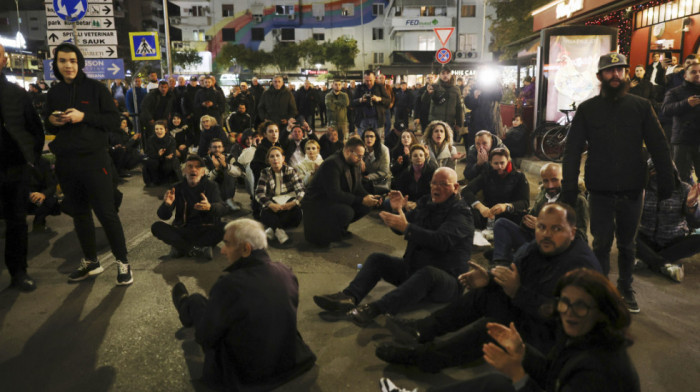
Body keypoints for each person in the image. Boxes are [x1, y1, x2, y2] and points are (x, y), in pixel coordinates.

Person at [376, 203, 602, 373]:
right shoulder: (539, 246)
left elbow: (566, 317)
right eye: (541, 227)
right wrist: (490, 279)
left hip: (555, 342)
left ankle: (425, 359)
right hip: (531, 310)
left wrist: (517, 293)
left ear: (573, 231)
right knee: (485, 294)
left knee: (494, 326)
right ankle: (422, 329)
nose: (546, 234)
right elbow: (515, 273)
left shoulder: (582, 268)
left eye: (556, 229)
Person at [385, 268, 640, 392]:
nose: (569, 312)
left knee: (501, 380)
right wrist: (522, 352)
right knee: (495, 378)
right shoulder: (579, 334)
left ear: (601, 310)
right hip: (529, 325)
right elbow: (553, 372)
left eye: (581, 306)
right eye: (565, 302)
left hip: (535, 326)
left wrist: (518, 374)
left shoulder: (600, 368)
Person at [561, 52, 674, 313]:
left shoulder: (641, 106)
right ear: (600, 76)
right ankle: (600, 289)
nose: (616, 75)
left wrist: (667, 178)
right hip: (599, 188)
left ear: (626, 74)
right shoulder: (587, 109)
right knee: (600, 242)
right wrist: (569, 185)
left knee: (626, 244)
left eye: (620, 70)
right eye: (610, 71)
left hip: (633, 187)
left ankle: (625, 287)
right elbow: (572, 150)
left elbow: (659, 145)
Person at [313, 167, 474, 325]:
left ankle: (376, 309)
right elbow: (404, 225)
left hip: (447, 282)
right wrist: (397, 211)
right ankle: (349, 296)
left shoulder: (461, 213)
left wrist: (407, 228)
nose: (436, 188)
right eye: (433, 183)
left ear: (455, 187)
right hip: (415, 269)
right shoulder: (427, 202)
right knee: (377, 259)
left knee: (428, 274)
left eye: (443, 184)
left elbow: (441, 241)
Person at [171, 218, 316, 391]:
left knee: (197, 302)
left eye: (227, 244)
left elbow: (205, 337)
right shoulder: (285, 271)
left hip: (249, 377)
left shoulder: (229, 285)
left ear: (246, 249)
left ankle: (184, 303)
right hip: (293, 363)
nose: (223, 250)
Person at [44, 43, 132, 285]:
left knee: (107, 214)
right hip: (67, 163)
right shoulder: (54, 93)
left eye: (72, 60)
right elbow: (48, 123)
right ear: (56, 64)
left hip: (95, 161)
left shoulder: (96, 89)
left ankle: (123, 263)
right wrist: (52, 120)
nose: (68, 65)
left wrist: (84, 116)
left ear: (79, 62)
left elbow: (114, 121)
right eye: (63, 61)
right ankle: (91, 262)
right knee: (80, 215)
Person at [0, 43, 45, 291]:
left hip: (15, 169)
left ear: (4, 61)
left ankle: (18, 272)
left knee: (17, 222)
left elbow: (35, 131)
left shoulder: (17, 94)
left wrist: (30, 160)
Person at [491, 163, 589, 264]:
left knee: (523, 253)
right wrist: (526, 219)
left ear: (563, 179)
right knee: (501, 223)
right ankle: (500, 264)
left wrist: (543, 226)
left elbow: (580, 237)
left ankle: (513, 258)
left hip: (555, 247)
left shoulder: (577, 200)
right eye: (546, 181)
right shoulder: (543, 194)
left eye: (554, 180)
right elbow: (531, 220)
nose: (550, 185)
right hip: (535, 240)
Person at [302, 137, 382, 246]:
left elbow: (357, 186)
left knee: (366, 206)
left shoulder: (355, 162)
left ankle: (338, 230)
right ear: (348, 151)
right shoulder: (332, 164)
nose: (361, 159)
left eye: (362, 156)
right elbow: (335, 194)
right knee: (347, 212)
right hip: (316, 204)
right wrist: (362, 200)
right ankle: (328, 234)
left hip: (331, 200)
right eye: (358, 155)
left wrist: (369, 197)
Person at [636, 159, 700, 283]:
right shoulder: (642, 189)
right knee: (624, 233)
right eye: (654, 173)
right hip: (646, 239)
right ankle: (665, 265)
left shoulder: (684, 189)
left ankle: (648, 260)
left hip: (674, 242)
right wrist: (637, 203)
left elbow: (695, 223)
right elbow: (630, 220)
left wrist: (691, 205)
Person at [151, 155, 226, 260]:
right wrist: (167, 204)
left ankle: (182, 248)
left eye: (197, 167)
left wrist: (210, 207)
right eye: (190, 166)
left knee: (227, 226)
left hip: (205, 230)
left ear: (203, 172)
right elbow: (163, 216)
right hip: (184, 231)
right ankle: (195, 249)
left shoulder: (211, 186)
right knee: (156, 226)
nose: (193, 169)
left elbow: (222, 208)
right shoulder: (177, 188)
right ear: (184, 171)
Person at [462, 148, 529, 229]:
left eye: (502, 163)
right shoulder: (487, 174)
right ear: (490, 163)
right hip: (489, 212)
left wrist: (506, 206)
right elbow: (466, 191)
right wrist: (480, 206)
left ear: (508, 161)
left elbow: (525, 202)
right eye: (496, 163)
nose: (500, 166)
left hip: (510, 214)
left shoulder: (519, 176)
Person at [255, 147, 305, 244]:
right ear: (268, 160)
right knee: (265, 212)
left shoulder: (291, 171)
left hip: (288, 203)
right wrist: (271, 205)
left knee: (296, 213)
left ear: (283, 158)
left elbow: (301, 190)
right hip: (274, 204)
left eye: (278, 156)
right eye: (272, 156)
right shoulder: (265, 172)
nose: (275, 159)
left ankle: (272, 229)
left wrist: (293, 203)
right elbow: (259, 193)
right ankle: (280, 232)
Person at [661, 61, 700, 183]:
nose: (698, 74)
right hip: (683, 140)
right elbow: (665, 110)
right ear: (685, 75)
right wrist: (686, 104)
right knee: (681, 178)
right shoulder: (675, 92)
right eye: (693, 72)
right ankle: (684, 202)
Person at [390, 144, 437, 210]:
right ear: (411, 159)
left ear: (425, 157)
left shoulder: (431, 171)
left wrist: (418, 204)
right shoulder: (406, 173)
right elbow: (401, 190)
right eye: (415, 156)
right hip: (410, 201)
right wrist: (405, 202)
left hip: (426, 202)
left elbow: (433, 193)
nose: (418, 157)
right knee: (388, 203)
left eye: (421, 155)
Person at [26, 156, 61, 233]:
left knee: (50, 201)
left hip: (37, 194)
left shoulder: (43, 162)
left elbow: (51, 186)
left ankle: (38, 223)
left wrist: (43, 194)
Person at [204, 138, 240, 213]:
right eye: (214, 147)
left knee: (228, 171)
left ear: (223, 148)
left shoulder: (230, 157)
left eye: (219, 147)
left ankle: (228, 200)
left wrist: (225, 165)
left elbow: (238, 173)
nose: (217, 149)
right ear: (210, 149)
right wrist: (216, 169)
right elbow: (205, 180)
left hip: (227, 190)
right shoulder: (205, 160)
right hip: (212, 192)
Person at [426, 65, 464, 133]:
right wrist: (427, 93)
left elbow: (459, 107)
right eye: (443, 73)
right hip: (435, 121)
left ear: (451, 75)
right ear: (439, 75)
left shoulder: (456, 89)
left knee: (448, 142)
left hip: (450, 122)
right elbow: (424, 101)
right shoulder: (434, 86)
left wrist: (459, 123)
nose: (445, 75)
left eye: (447, 73)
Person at [143, 120, 181, 187]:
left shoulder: (171, 140)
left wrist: (164, 156)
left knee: (171, 162)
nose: (159, 131)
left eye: (161, 129)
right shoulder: (150, 140)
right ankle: (153, 181)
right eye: (156, 129)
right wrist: (158, 155)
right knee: (150, 162)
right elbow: (149, 153)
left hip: (167, 160)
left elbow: (172, 153)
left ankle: (168, 180)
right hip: (155, 159)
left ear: (165, 130)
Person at [352, 71, 390, 135]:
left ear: (374, 78)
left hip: (377, 119)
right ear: (363, 79)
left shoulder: (380, 87)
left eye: (370, 80)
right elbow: (352, 102)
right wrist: (360, 100)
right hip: (363, 119)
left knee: (377, 140)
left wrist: (379, 99)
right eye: (366, 81)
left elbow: (388, 101)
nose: (369, 83)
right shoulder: (359, 88)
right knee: (363, 140)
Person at [361, 128, 391, 194]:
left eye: (371, 136)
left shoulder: (384, 150)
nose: (369, 139)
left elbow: (384, 171)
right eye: (367, 136)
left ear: (376, 138)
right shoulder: (361, 148)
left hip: (380, 180)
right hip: (364, 178)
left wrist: (369, 177)